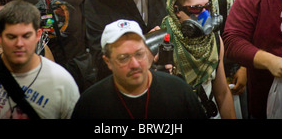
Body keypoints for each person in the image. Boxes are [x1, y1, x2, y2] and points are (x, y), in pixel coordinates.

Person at [71, 19, 206, 119]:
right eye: (124, 58)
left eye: (139, 54)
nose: (135, 64)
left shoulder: (179, 91)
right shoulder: (90, 105)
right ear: (108, 62)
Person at [0, 0, 80, 119]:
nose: (19, 43)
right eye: (12, 37)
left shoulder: (62, 82)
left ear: (38, 35)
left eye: (26, 36)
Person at [161, 0, 236, 118]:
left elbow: (222, 94)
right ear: (176, 10)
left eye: (207, 7)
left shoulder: (214, 40)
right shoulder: (163, 44)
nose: (205, 15)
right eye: (195, 9)